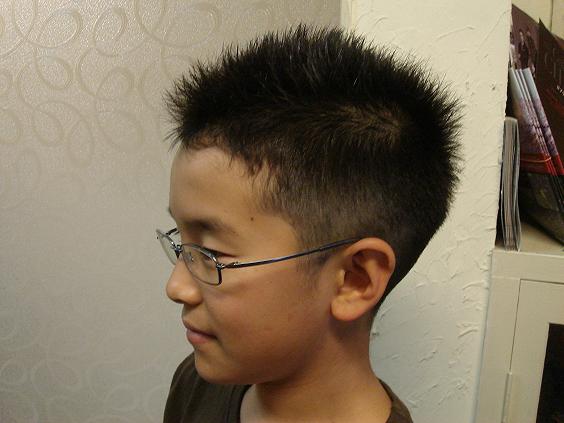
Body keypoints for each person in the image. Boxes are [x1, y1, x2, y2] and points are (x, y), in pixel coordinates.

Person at [158, 24, 461, 423]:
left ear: (354, 279)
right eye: (183, 244)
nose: (176, 287)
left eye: (211, 252)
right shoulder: (197, 384)